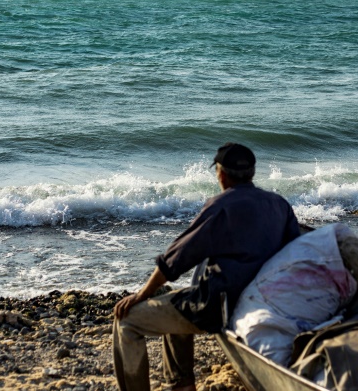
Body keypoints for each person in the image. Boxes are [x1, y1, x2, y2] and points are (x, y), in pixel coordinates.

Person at [113, 143, 300, 391]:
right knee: (177, 301)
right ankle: (181, 385)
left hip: (220, 306)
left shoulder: (220, 206)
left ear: (221, 173)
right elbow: (296, 252)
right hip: (265, 300)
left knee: (127, 322)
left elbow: (174, 261)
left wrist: (142, 294)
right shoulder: (279, 204)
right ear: (252, 174)